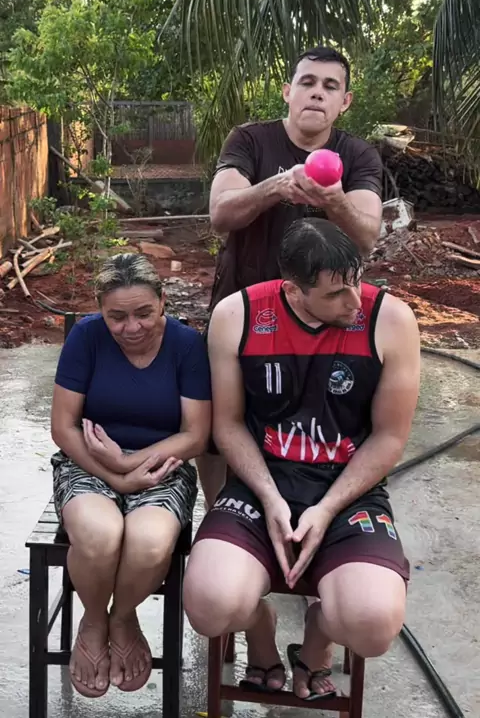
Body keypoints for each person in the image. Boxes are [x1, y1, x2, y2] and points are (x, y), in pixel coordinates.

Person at [184, 218, 420, 700]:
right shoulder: (238, 315)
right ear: (292, 290)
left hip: (348, 491)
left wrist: (327, 508)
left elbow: (389, 438)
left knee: (374, 625)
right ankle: (261, 631)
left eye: (356, 283)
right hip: (260, 483)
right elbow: (227, 425)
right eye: (335, 294)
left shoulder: (391, 320)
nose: (354, 302)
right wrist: (270, 498)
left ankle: (316, 640)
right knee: (208, 605)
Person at [198, 45, 384, 507]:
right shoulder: (249, 140)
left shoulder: (357, 155)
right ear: (287, 91)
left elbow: (366, 236)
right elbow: (220, 214)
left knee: (311, 418)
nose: (317, 93)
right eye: (307, 82)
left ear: (345, 101)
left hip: (322, 317)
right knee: (220, 422)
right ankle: (220, 511)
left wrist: (334, 199)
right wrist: (276, 186)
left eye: (330, 86)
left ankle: (311, 508)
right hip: (242, 309)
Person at [50, 252, 211, 698]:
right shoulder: (86, 338)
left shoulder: (186, 345)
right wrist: (115, 475)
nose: (132, 327)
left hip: (164, 466)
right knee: (99, 535)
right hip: (87, 461)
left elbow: (196, 435)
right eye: (117, 317)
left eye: (143, 313)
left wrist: (128, 464)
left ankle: (121, 617)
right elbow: (63, 428)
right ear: (100, 311)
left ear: (163, 302)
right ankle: (94, 619)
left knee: (150, 541)